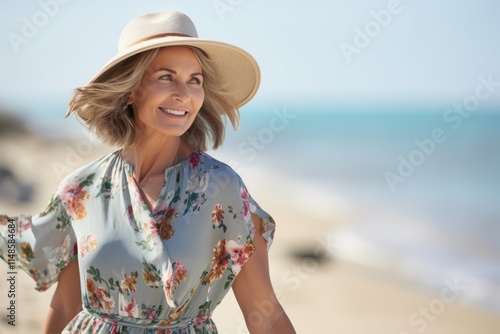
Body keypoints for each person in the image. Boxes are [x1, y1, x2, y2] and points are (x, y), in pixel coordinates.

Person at [0, 11, 296, 334]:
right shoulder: (83, 190)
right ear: (131, 89)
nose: (183, 94)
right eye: (166, 77)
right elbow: (67, 305)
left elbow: (264, 314)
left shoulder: (220, 188)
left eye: (194, 80)